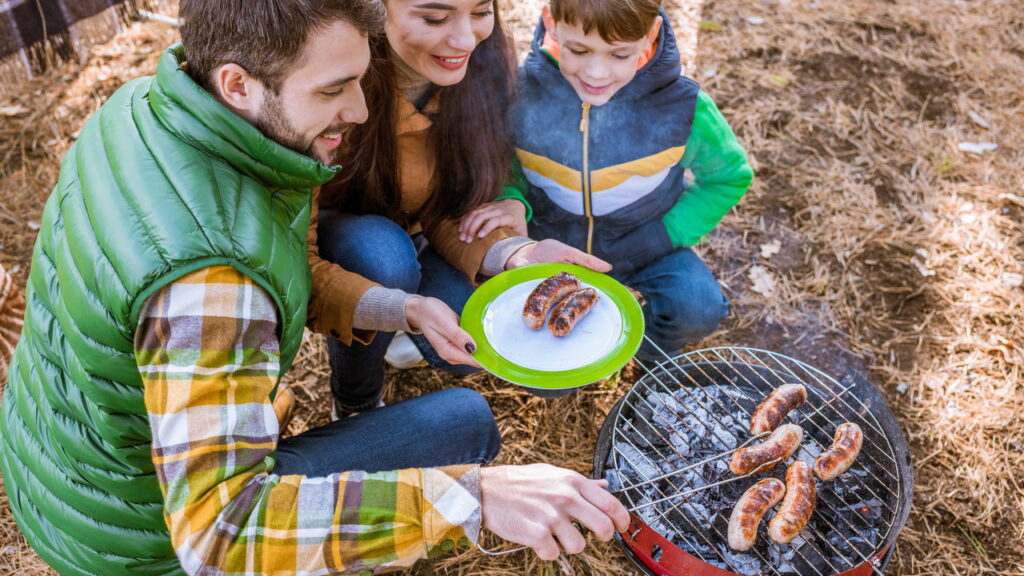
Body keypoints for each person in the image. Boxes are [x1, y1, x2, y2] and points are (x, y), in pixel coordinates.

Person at [0, 1, 628, 575]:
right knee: (465, 423)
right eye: (333, 89)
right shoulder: (212, 282)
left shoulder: (143, 106)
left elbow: (290, 268)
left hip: (58, 476)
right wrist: (472, 498)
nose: (359, 110)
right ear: (238, 84)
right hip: (138, 542)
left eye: (359, 79)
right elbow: (222, 537)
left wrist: (403, 308)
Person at [309, 0, 608, 417]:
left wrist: (517, 253)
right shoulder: (322, 80)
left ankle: (398, 336)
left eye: (482, 12)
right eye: (434, 18)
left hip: (422, 234)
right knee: (383, 255)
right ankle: (356, 402)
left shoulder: (481, 73)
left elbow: (452, 201)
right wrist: (397, 306)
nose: (466, 40)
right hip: (343, 238)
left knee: (471, 340)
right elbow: (290, 250)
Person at [462, 0, 755, 361]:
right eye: (579, 50)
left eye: (619, 55)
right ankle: (574, 357)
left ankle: (638, 354)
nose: (597, 73)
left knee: (697, 308)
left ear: (650, 35)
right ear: (551, 22)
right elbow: (506, 165)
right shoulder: (519, 92)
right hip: (551, 243)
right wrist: (511, 198)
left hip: (644, 244)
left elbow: (727, 178)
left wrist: (665, 235)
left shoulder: (684, 107)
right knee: (542, 370)